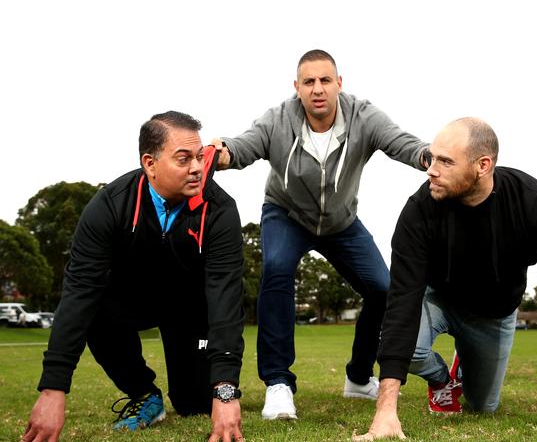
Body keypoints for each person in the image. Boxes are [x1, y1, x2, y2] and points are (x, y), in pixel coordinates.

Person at [354, 117, 537, 440]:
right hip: (438, 297)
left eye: (445, 161)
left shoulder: (535, 205)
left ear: (482, 165)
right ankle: (443, 378)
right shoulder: (420, 210)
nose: (431, 169)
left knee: (483, 406)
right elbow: (402, 301)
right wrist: (386, 410)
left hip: (494, 313)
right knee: (408, 348)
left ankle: (465, 364)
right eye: (432, 157)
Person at [212, 49, 429, 420]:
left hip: (341, 223)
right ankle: (278, 384)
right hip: (286, 214)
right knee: (277, 269)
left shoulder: (364, 116)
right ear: (297, 87)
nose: (317, 89)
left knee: (383, 290)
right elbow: (245, 145)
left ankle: (359, 378)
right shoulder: (278, 119)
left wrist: (429, 156)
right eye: (309, 82)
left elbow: (400, 141)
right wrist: (223, 153)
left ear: (339, 84)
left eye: (325, 80)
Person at [22, 111, 246, 442]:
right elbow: (79, 292)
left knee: (195, 405)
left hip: (191, 308)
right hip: (133, 302)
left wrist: (225, 391)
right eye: (183, 159)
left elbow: (226, 297)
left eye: (199, 157)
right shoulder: (109, 206)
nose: (197, 168)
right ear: (150, 164)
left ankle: (195, 392)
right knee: (93, 306)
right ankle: (144, 394)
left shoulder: (220, 210)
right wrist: (53, 388)